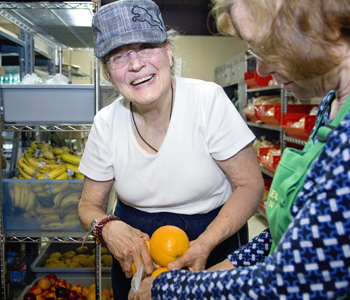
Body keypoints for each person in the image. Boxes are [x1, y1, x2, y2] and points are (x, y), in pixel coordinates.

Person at [134, 0, 350, 299]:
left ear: (314, 21)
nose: (261, 67)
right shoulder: (331, 104)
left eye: (265, 46)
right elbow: (294, 235)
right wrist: (229, 265)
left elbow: (298, 280)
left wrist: (166, 289)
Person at [77, 0, 264, 298]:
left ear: (168, 50)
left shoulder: (208, 101)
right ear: (109, 73)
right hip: (136, 253)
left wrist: (204, 244)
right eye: (118, 56)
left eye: (146, 47)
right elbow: (88, 205)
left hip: (215, 237)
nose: (136, 64)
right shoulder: (106, 122)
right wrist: (108, 227)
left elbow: (250, 185)